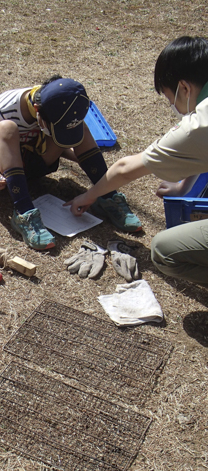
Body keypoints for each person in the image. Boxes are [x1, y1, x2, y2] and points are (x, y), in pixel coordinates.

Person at [66, 36, 208, 286]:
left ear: (184, 88)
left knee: (164, 250)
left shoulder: (196, 126)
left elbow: (125, 169)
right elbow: (200, 153)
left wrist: (89, 196)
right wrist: (182, 187)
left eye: (169, 97)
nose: (173, 106)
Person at [0, 75, 141, 250]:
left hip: (33, 163)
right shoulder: (3, 109)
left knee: (79, 127)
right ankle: (23, 213)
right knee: (6, 128)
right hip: (0, 168)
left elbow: (62, 141)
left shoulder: (61, 106)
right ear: (36, 110)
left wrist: (87, 160)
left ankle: (107, 195)